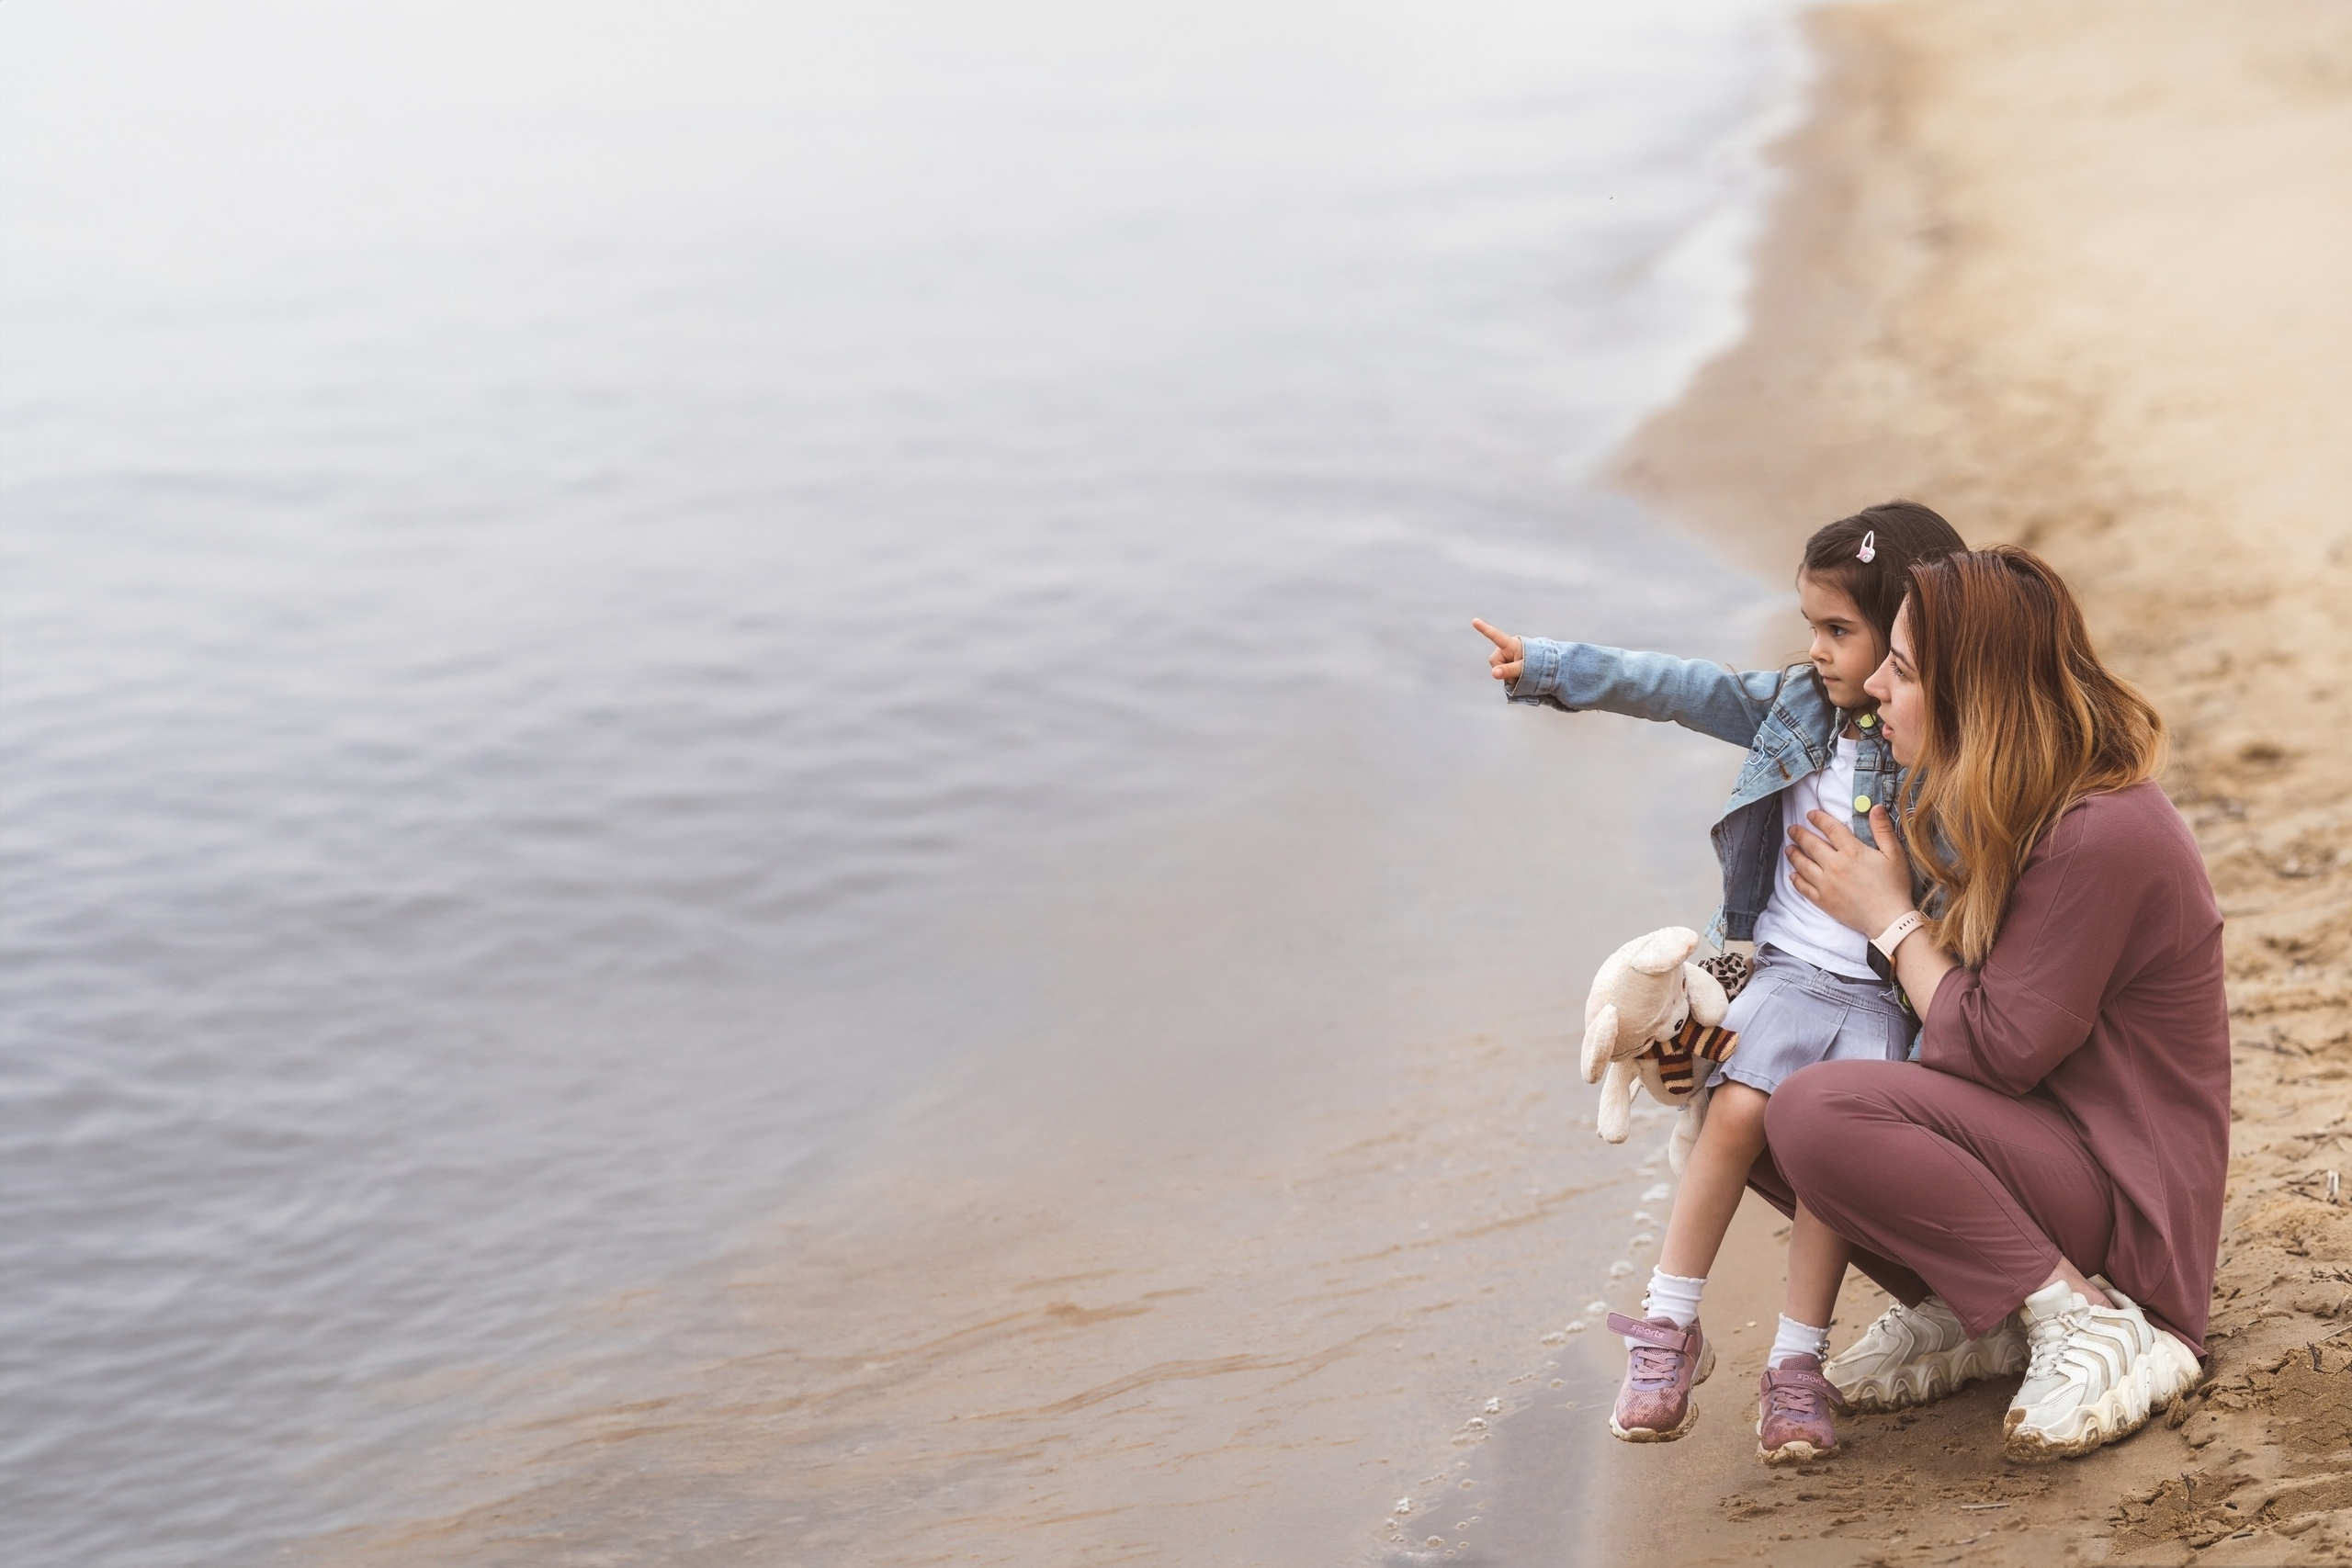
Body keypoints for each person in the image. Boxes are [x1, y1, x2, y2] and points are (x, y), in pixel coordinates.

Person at [1474, 500, 1965, 1461]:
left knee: (1830, 1155)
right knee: (1734, 1114)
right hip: (1770, 971)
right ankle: (1667, 1330)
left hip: (1879, 995)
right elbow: (1680, 687)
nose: (1817, 651)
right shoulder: (1791, 706)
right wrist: (1550, 667)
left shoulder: (1945, 751)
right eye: (1809, 627)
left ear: (1912, 639)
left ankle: (1795, 1366)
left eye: (1839, 630)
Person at [1767, 545, 2225, 1462]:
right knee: (1748, 1087)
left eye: (1901, 669)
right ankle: (1979, 1313)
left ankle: (2082, 1314)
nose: (1876, 690)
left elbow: (1989, 1050)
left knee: (1815, 1106)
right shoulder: (2008, 801)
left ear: (1971, 694)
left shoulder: (2097, 831)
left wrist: (1891, 921)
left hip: (2125, 1200)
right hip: (2049, 1155)